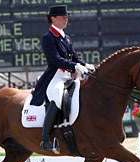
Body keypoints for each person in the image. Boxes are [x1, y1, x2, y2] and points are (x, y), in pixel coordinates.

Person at [30, 5, 95, 151]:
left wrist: (85, 64)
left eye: (66, 17)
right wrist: (74, 66)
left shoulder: (66, 37)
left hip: (69, 77)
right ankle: (45, 139)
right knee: (58, 97)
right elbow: (55, 59)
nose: (66, 20)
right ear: (53, 18)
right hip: (55, 76)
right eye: (62, 17)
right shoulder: (48, 37)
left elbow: (75, 57)